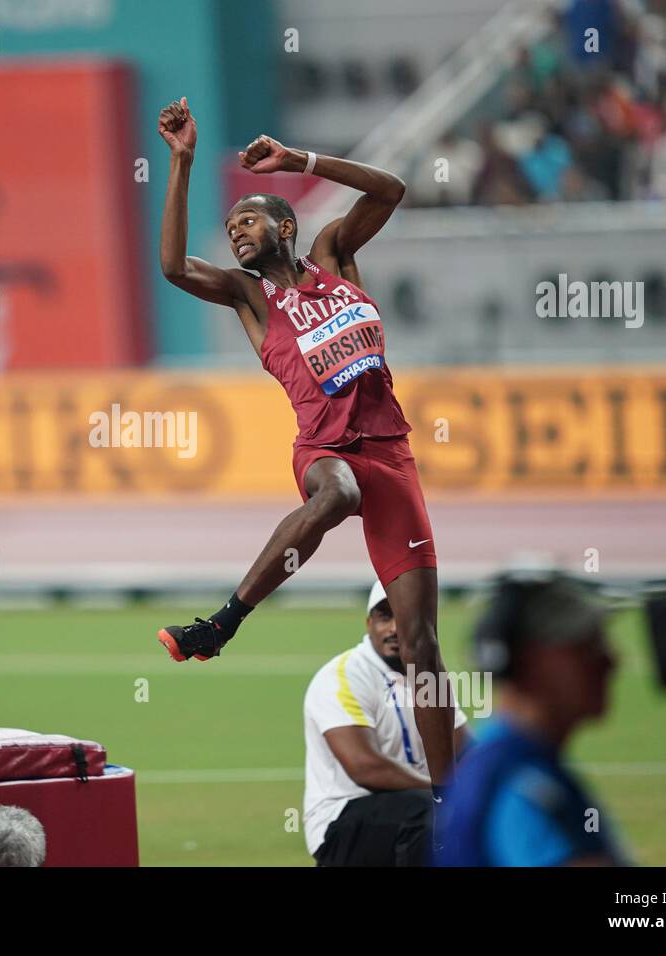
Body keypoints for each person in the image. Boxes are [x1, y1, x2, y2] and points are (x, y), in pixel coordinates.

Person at [153, 96, 457, 793]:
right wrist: (183, 162)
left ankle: (449, 804)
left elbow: (391, 190)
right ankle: (226, 621)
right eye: (229, 228)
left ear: (285, 225)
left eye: (248, 220)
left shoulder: (335, 256)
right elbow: (172, 266)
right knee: (338, 493)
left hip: (392, 455)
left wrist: (300, 161)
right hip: (324, 451)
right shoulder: (249, 296)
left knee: (424, 648)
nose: (236, 234)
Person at [436, 574, 630, 866]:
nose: (611, 660)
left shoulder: (503, 763)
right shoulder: (525, 784)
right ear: (532, 660)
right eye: (586, 646)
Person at [304, 581, 470, 866]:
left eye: (404, 617)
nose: (394, 628)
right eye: (384, 616)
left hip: (414, 809)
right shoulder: (343, 675)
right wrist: (444, 793)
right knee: (430, 815)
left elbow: (464, 750)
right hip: (340, 823)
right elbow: (365, 768)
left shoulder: (432, 678)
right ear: (369, 623)